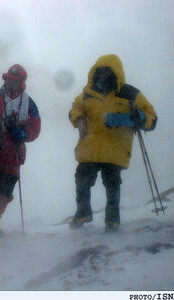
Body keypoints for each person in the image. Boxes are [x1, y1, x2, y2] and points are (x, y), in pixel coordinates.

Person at [69, 54, 157, 233]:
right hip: (90, 147)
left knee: (111, 183)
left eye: (108, 72)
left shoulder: (130, 94)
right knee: (83, 180)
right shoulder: (87, 94)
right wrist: (78, 118)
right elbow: (74, 108)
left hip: (114, 149)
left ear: (117, 72)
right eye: (100, 72)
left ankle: (112, 219)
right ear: (95, 72)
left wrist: (137, 118)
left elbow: (151, 118)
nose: (103, 76)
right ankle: (84, 212)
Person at [0, 64, 41, 234]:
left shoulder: (29, 104)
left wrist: (23, 134)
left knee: (3, 194)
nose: (11, 84)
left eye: (15, 81)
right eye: (9, 80)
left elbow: (35, 128)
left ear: (22, 83)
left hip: (13, 157)